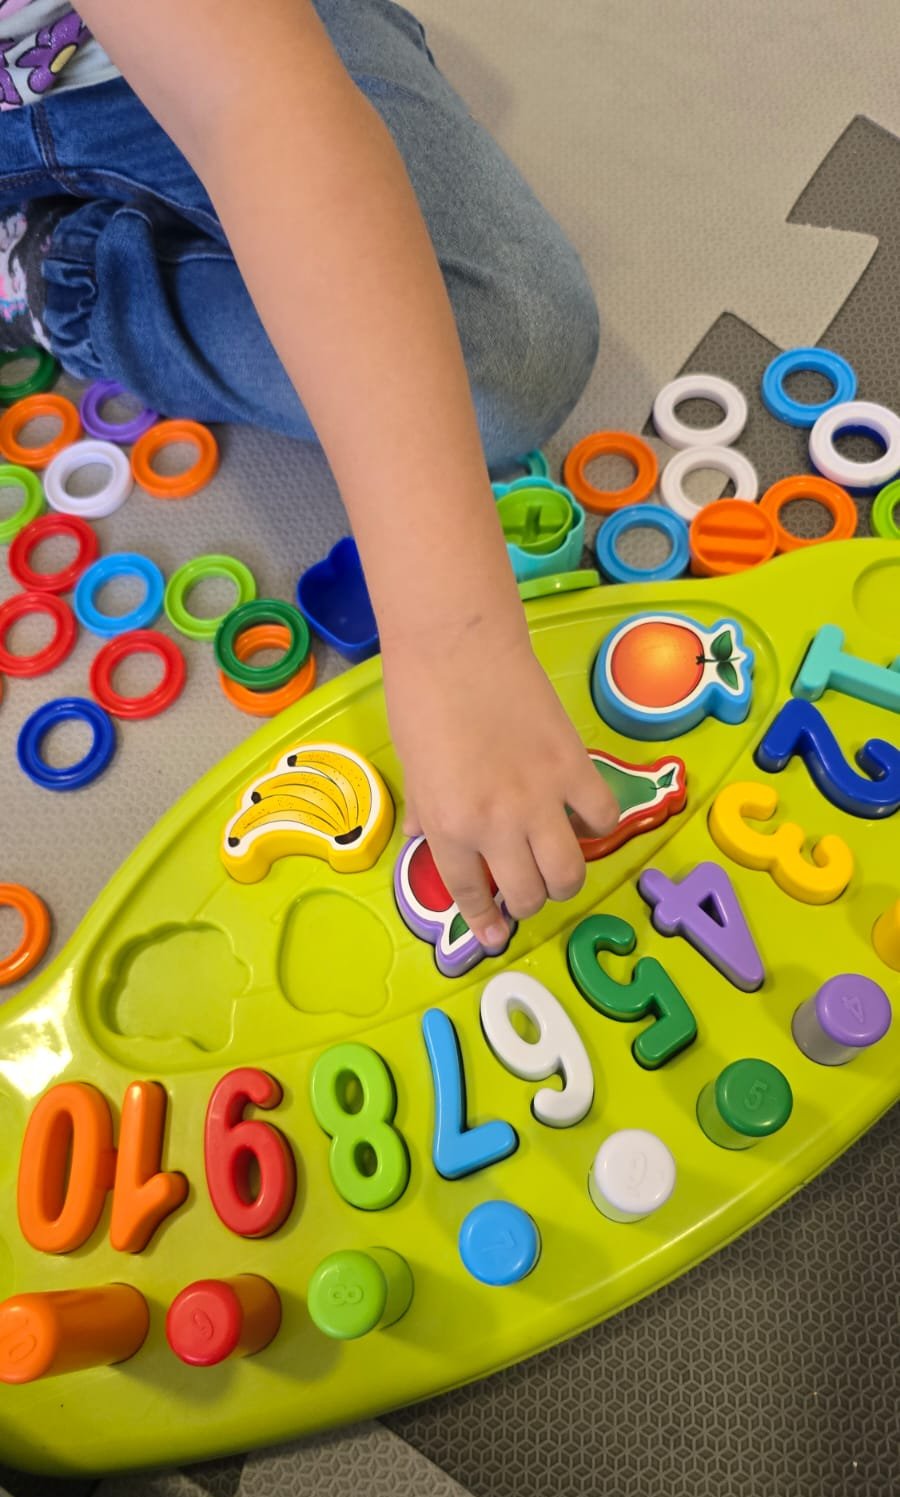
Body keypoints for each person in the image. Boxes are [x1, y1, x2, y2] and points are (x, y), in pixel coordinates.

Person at [0, 0, 618, 947]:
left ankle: (61, 274)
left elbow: (257, 102)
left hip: (217, 42)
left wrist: (455, 640)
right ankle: (54, 277)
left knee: (500, 355)